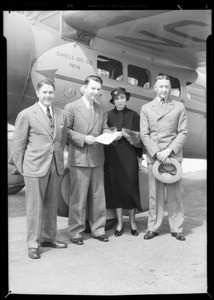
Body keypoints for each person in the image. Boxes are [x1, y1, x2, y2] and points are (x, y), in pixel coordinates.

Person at [10, 78, 68, 259]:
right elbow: (18, 145)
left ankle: (49, 237)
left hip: (55, 165)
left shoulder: (61, 114)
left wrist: (58, 161)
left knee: (51, 205)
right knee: (34, 207)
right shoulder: (27, 114)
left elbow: (62, 140)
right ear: (37, 93)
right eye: (45, 92)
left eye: (51, 92)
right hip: (34, 167)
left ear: (54, 94)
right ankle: (33, 244)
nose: (48, 95)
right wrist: (22, 168)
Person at [64, 75, 113, 245]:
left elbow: (105, 127)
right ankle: (75, 231)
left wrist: (109, 134)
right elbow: (66, 132)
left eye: (99, 89)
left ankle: (98, 229)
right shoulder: (71, 107)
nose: (96, 92)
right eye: (93, 88)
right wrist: (84, 138)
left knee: (98, 196)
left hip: (97, 158)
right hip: (79, 158)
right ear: (84, 88)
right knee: (78, 197)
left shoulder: (101, 108)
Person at [140, 75, 188, 241]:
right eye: (161, 87)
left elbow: (183, 132)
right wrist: (156, 152)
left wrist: (168, 150)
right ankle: (153, 227)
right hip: (155, 157)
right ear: (155, 88)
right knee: (154, 194)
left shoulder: (178, 107)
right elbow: (144, 134)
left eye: (167, 87)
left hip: (172, 156)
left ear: (170, 88)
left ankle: (176, 228)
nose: (164, 90)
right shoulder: (146, 108)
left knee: (174, 194)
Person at [104, 87, 143, 237]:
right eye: (116, 99)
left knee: (131, 189)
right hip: (113, 157)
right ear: (113, 101)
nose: (119, 101)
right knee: (117, 190)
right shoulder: (107, 116)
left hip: (129, 157)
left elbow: (140, 139)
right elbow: (103, 135)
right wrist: (112, 134)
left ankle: (133, 222)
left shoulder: (134, 115)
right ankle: (120, 223)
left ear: (126, 99)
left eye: (122, 98)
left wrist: (139, 157)